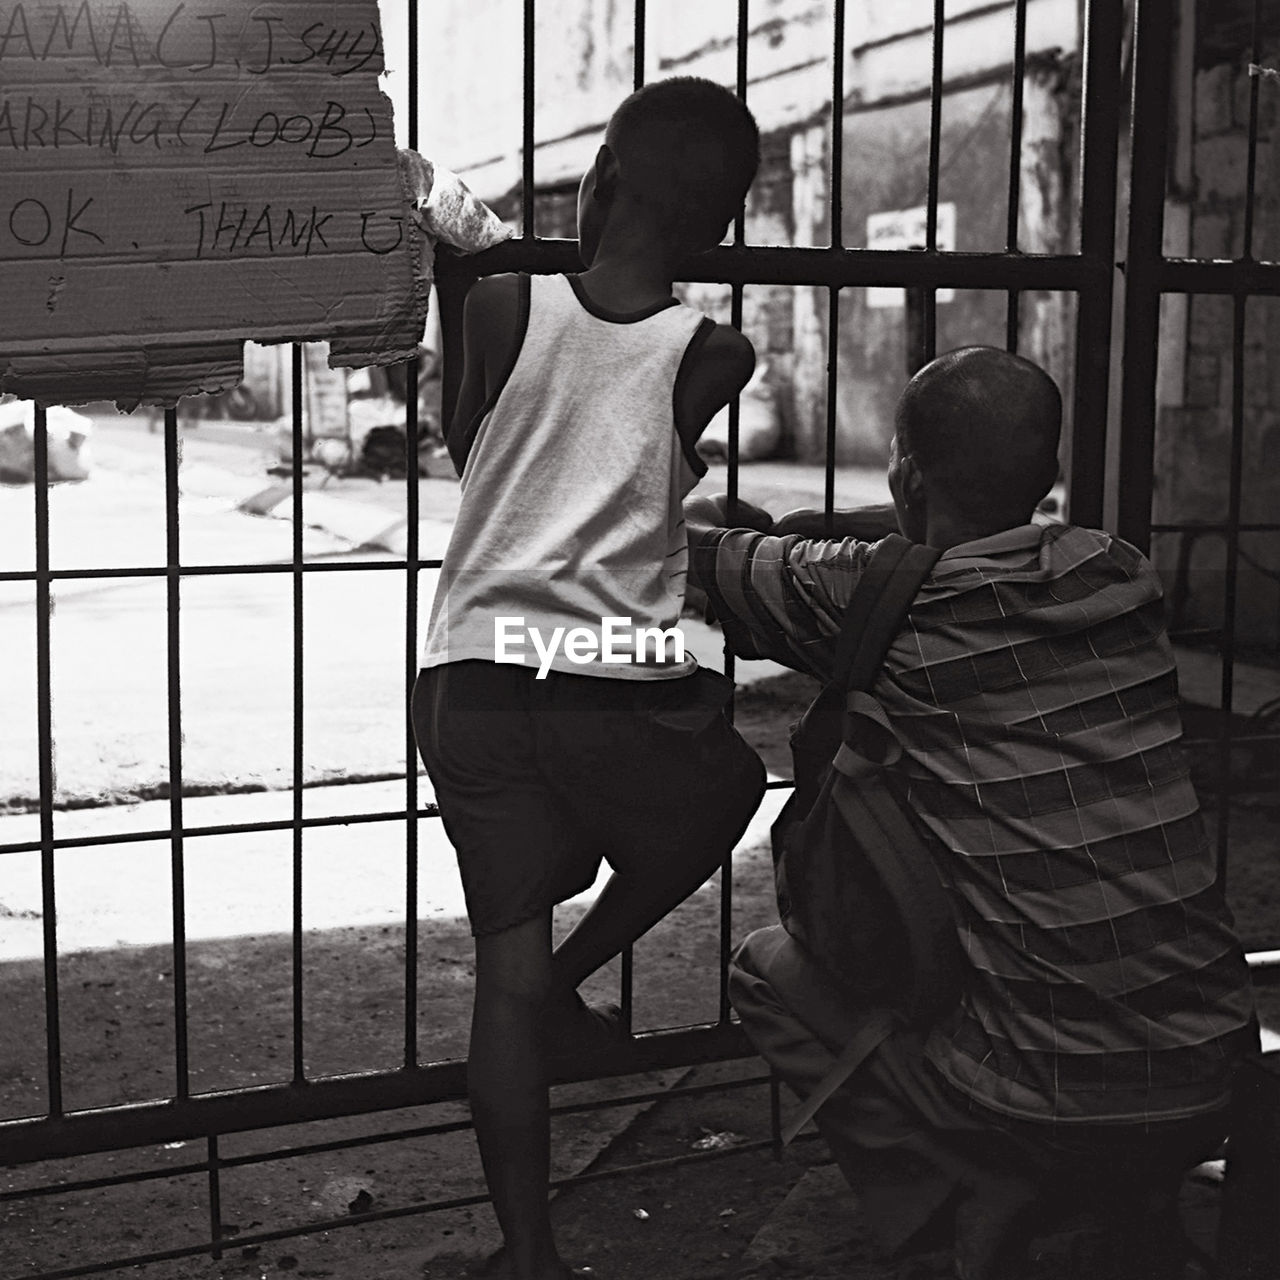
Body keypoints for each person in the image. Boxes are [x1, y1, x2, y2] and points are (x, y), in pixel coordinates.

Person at [685, 347, 1259, 1280]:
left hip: (1043, 1093)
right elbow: (964, 533)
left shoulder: (886, 605)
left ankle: (958, 1195)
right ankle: (1131, 1193)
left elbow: (699, 550)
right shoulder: (1120, 575)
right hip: (1215, 1063)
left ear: (907, 473)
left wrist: (774, 528)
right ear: (1048, 476)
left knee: (765, 970)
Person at [412, 78, 767, 1280]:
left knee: (495, 983)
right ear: (718, 230)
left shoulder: (503, 299)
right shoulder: (715, 353)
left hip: (474, 671)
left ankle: (527, 1253)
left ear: (593, 183)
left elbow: (474, 453)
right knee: (727, 787)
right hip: (610, 676)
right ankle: (573, 976)